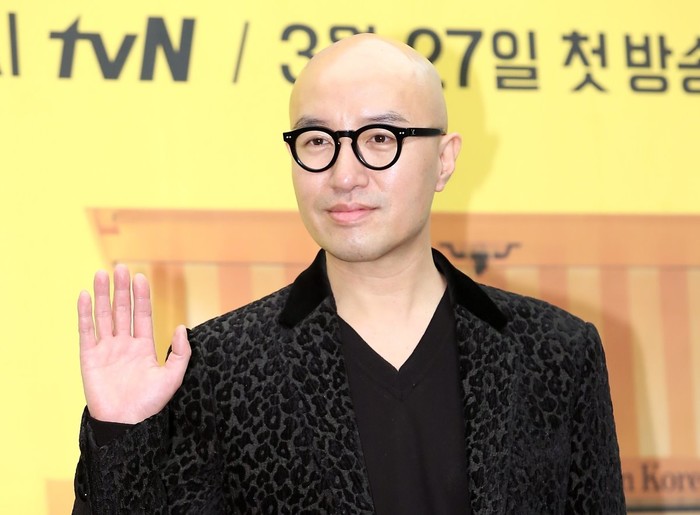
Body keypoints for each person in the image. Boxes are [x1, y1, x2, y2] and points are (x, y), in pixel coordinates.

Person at [72, 33, 625, 514]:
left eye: (380, 137)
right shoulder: (217, 366)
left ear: (445, 160)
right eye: (317, 141)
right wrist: (120, 434)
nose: (344, 175)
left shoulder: (556, 353)